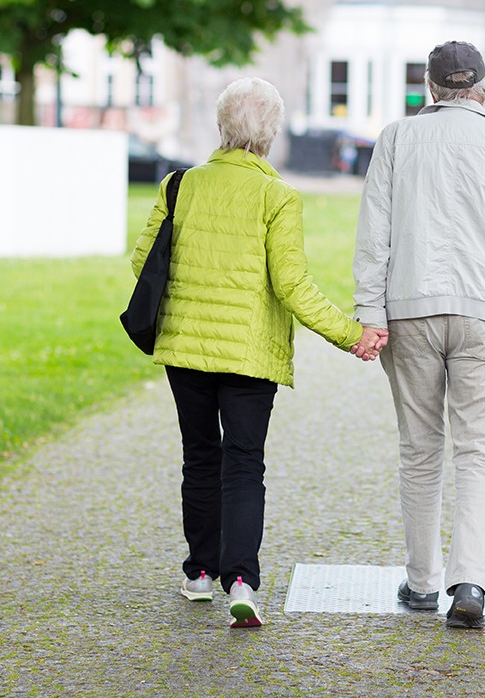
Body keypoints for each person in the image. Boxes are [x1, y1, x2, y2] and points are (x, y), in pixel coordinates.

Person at [131, 77, 386, 629]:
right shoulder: (277, 197)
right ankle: (241, 581)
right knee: (243, 464)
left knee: (199, 457)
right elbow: (291, 285)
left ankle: (199, 573)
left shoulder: (180, 185)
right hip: (248, 355)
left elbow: (142, 264)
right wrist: (351, 334)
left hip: (186, 348)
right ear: (270, 134)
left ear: (221, 127)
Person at [353, 41, 485, 630]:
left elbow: (374, 234)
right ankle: (471, 583)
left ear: (430, 88)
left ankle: (420, 582)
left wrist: (371, 312)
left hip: (409, 307)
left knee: (419, 448)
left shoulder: (395, 140)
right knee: (477, 450)